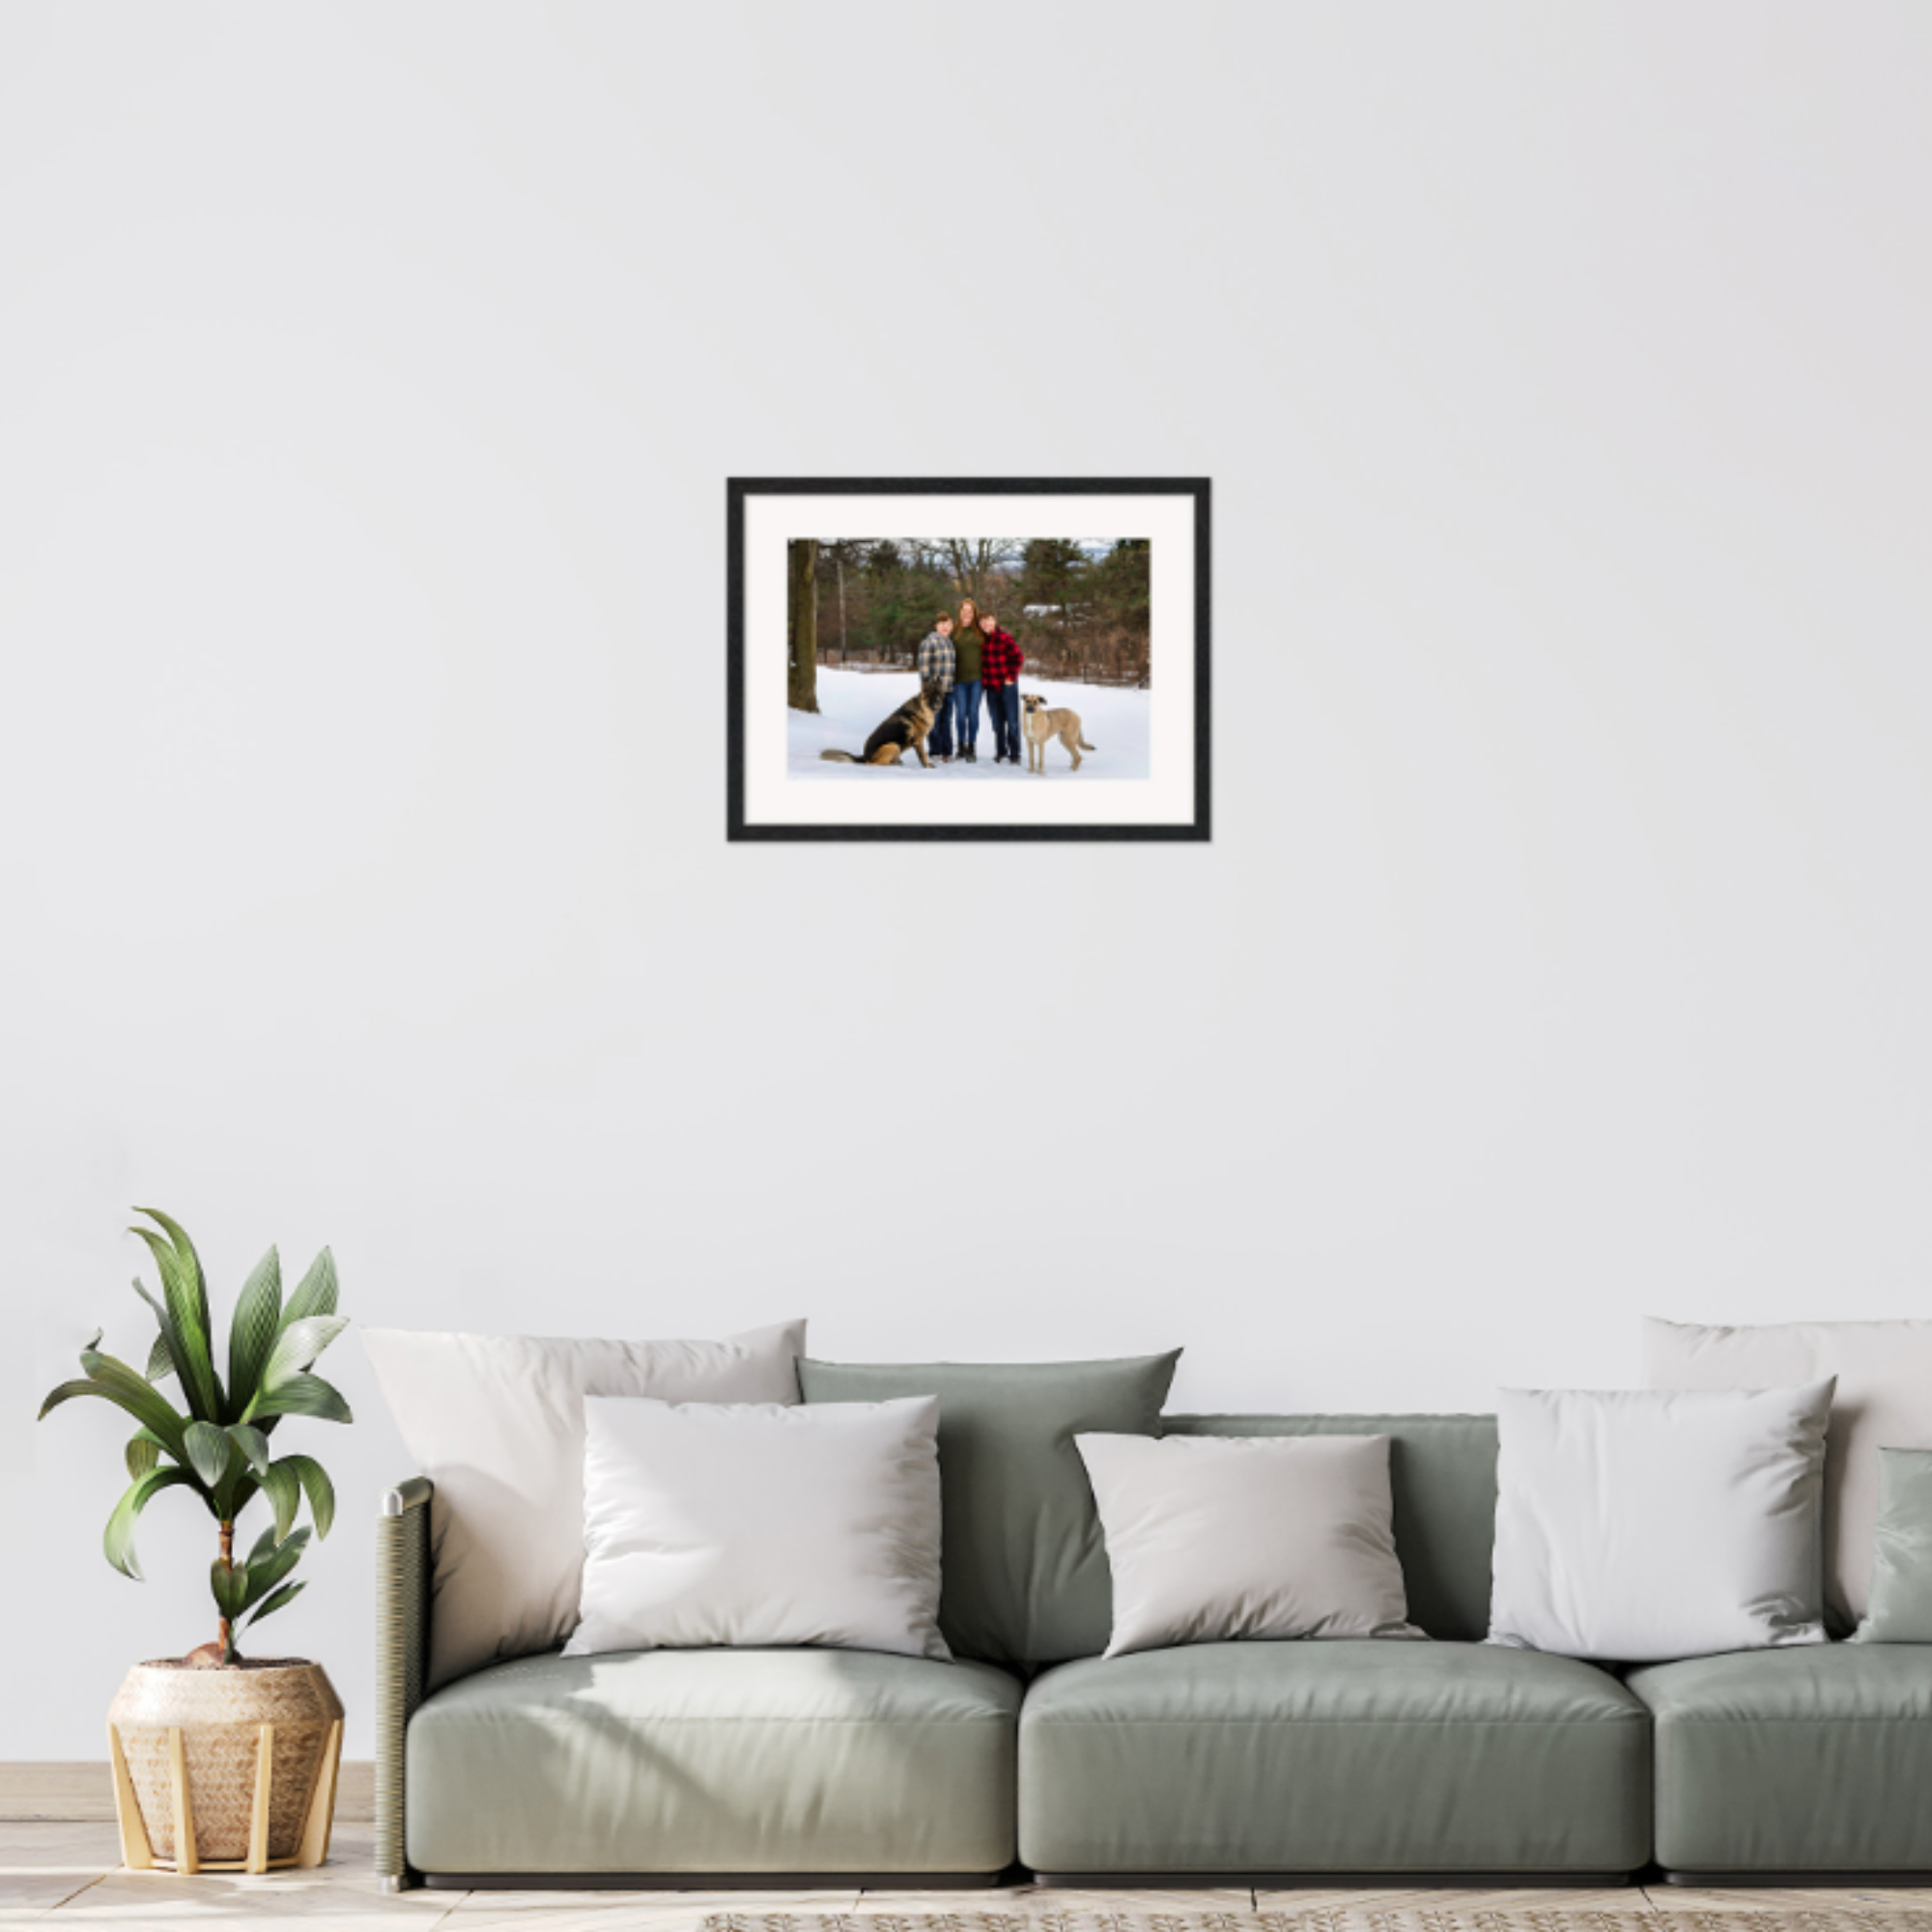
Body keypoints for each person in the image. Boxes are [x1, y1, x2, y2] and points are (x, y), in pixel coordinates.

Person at [980, 612, 1023, 764]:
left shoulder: (1005, 638)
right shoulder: (981, 641)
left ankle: (1015, 753)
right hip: (991, 688)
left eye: (989, 621)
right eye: (983, 622)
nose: (986, 624)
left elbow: (1018, 657)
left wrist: (1011, 676)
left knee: (1012, 722)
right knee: (997, 723)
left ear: (995, 621)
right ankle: (1000, 751)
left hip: (1007, 686)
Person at [917, 611, 956, 762]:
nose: (945, 627)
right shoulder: (929, 642)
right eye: (942, 624)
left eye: (948, 624)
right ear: (936, 625)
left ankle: (947, 752)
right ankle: (935, 751)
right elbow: (924, 667)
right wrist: (927, 689)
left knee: (947, 721)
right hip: (934, 691)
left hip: (949, 688)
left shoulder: (949, 642)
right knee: (934, 720)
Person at [951, 596, 984, 762]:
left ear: (974, 613)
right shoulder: (954, 631)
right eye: (964, 610)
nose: (966, 613)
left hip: (977, 680)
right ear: (960, 612)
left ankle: (971, 746)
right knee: (960, 714)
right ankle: (961, 746)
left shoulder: (980, 631)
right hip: (959, 681)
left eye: (969, 611)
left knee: (973, 713)